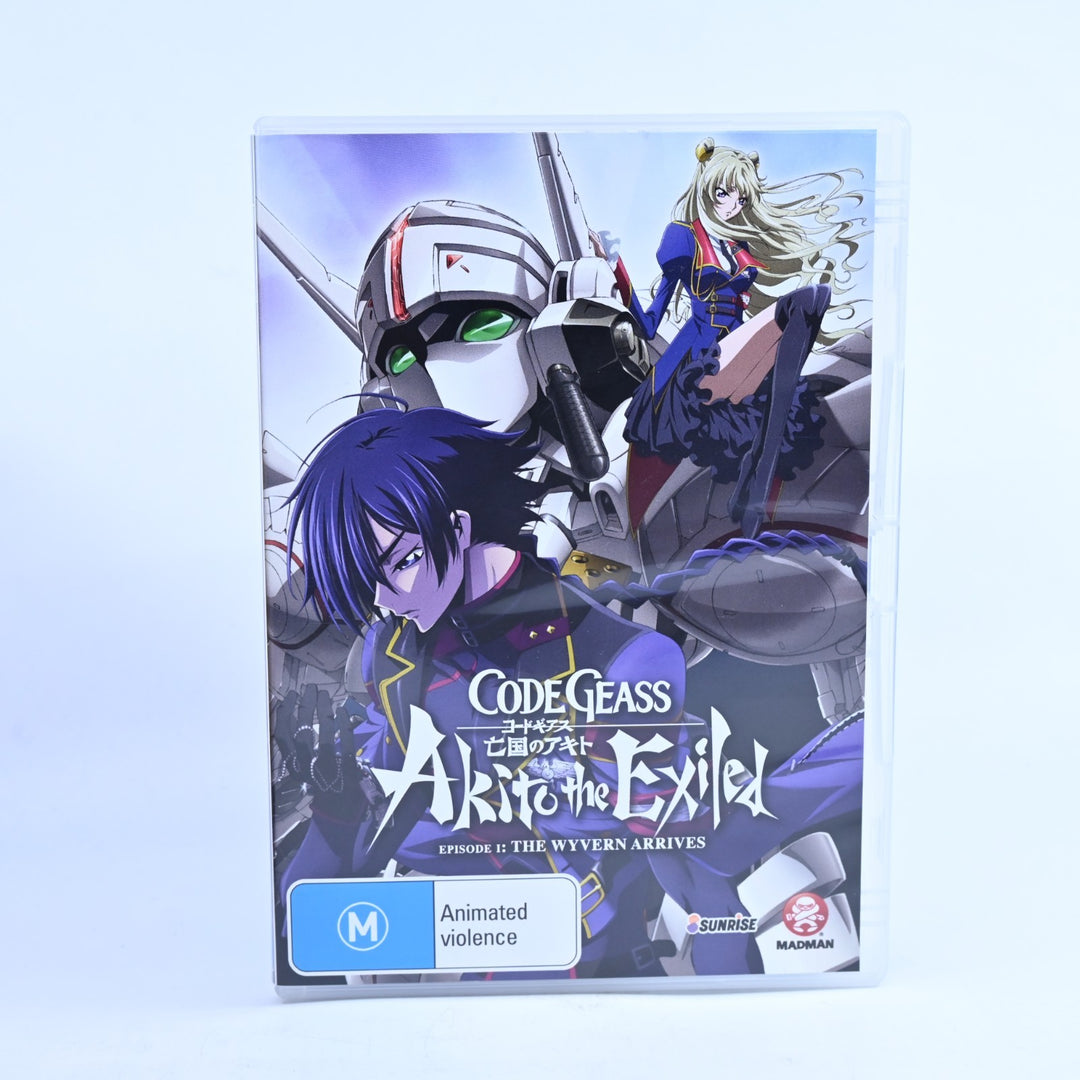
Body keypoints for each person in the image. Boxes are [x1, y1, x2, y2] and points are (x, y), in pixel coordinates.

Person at [277, 405, 864, 977]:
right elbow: (354, 837)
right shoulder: (392, 653)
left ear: (458, 526)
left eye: (401, 562)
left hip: (581, 949)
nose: (386, 600)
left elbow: (690, 855)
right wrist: (334, 813)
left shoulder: (621, 661)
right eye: (368, 580)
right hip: (449, 931)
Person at [619, 139, 865, 536]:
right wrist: (618, 272)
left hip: (733, 353)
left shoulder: (737, 248)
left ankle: (755, 481)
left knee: (814, 301)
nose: (732, 205)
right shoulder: (683, 239)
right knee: (806, 302)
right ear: (704, 190)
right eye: (723, 193)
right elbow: (649, 326)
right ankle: (756, 483)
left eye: (740, 197)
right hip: (698, 364)